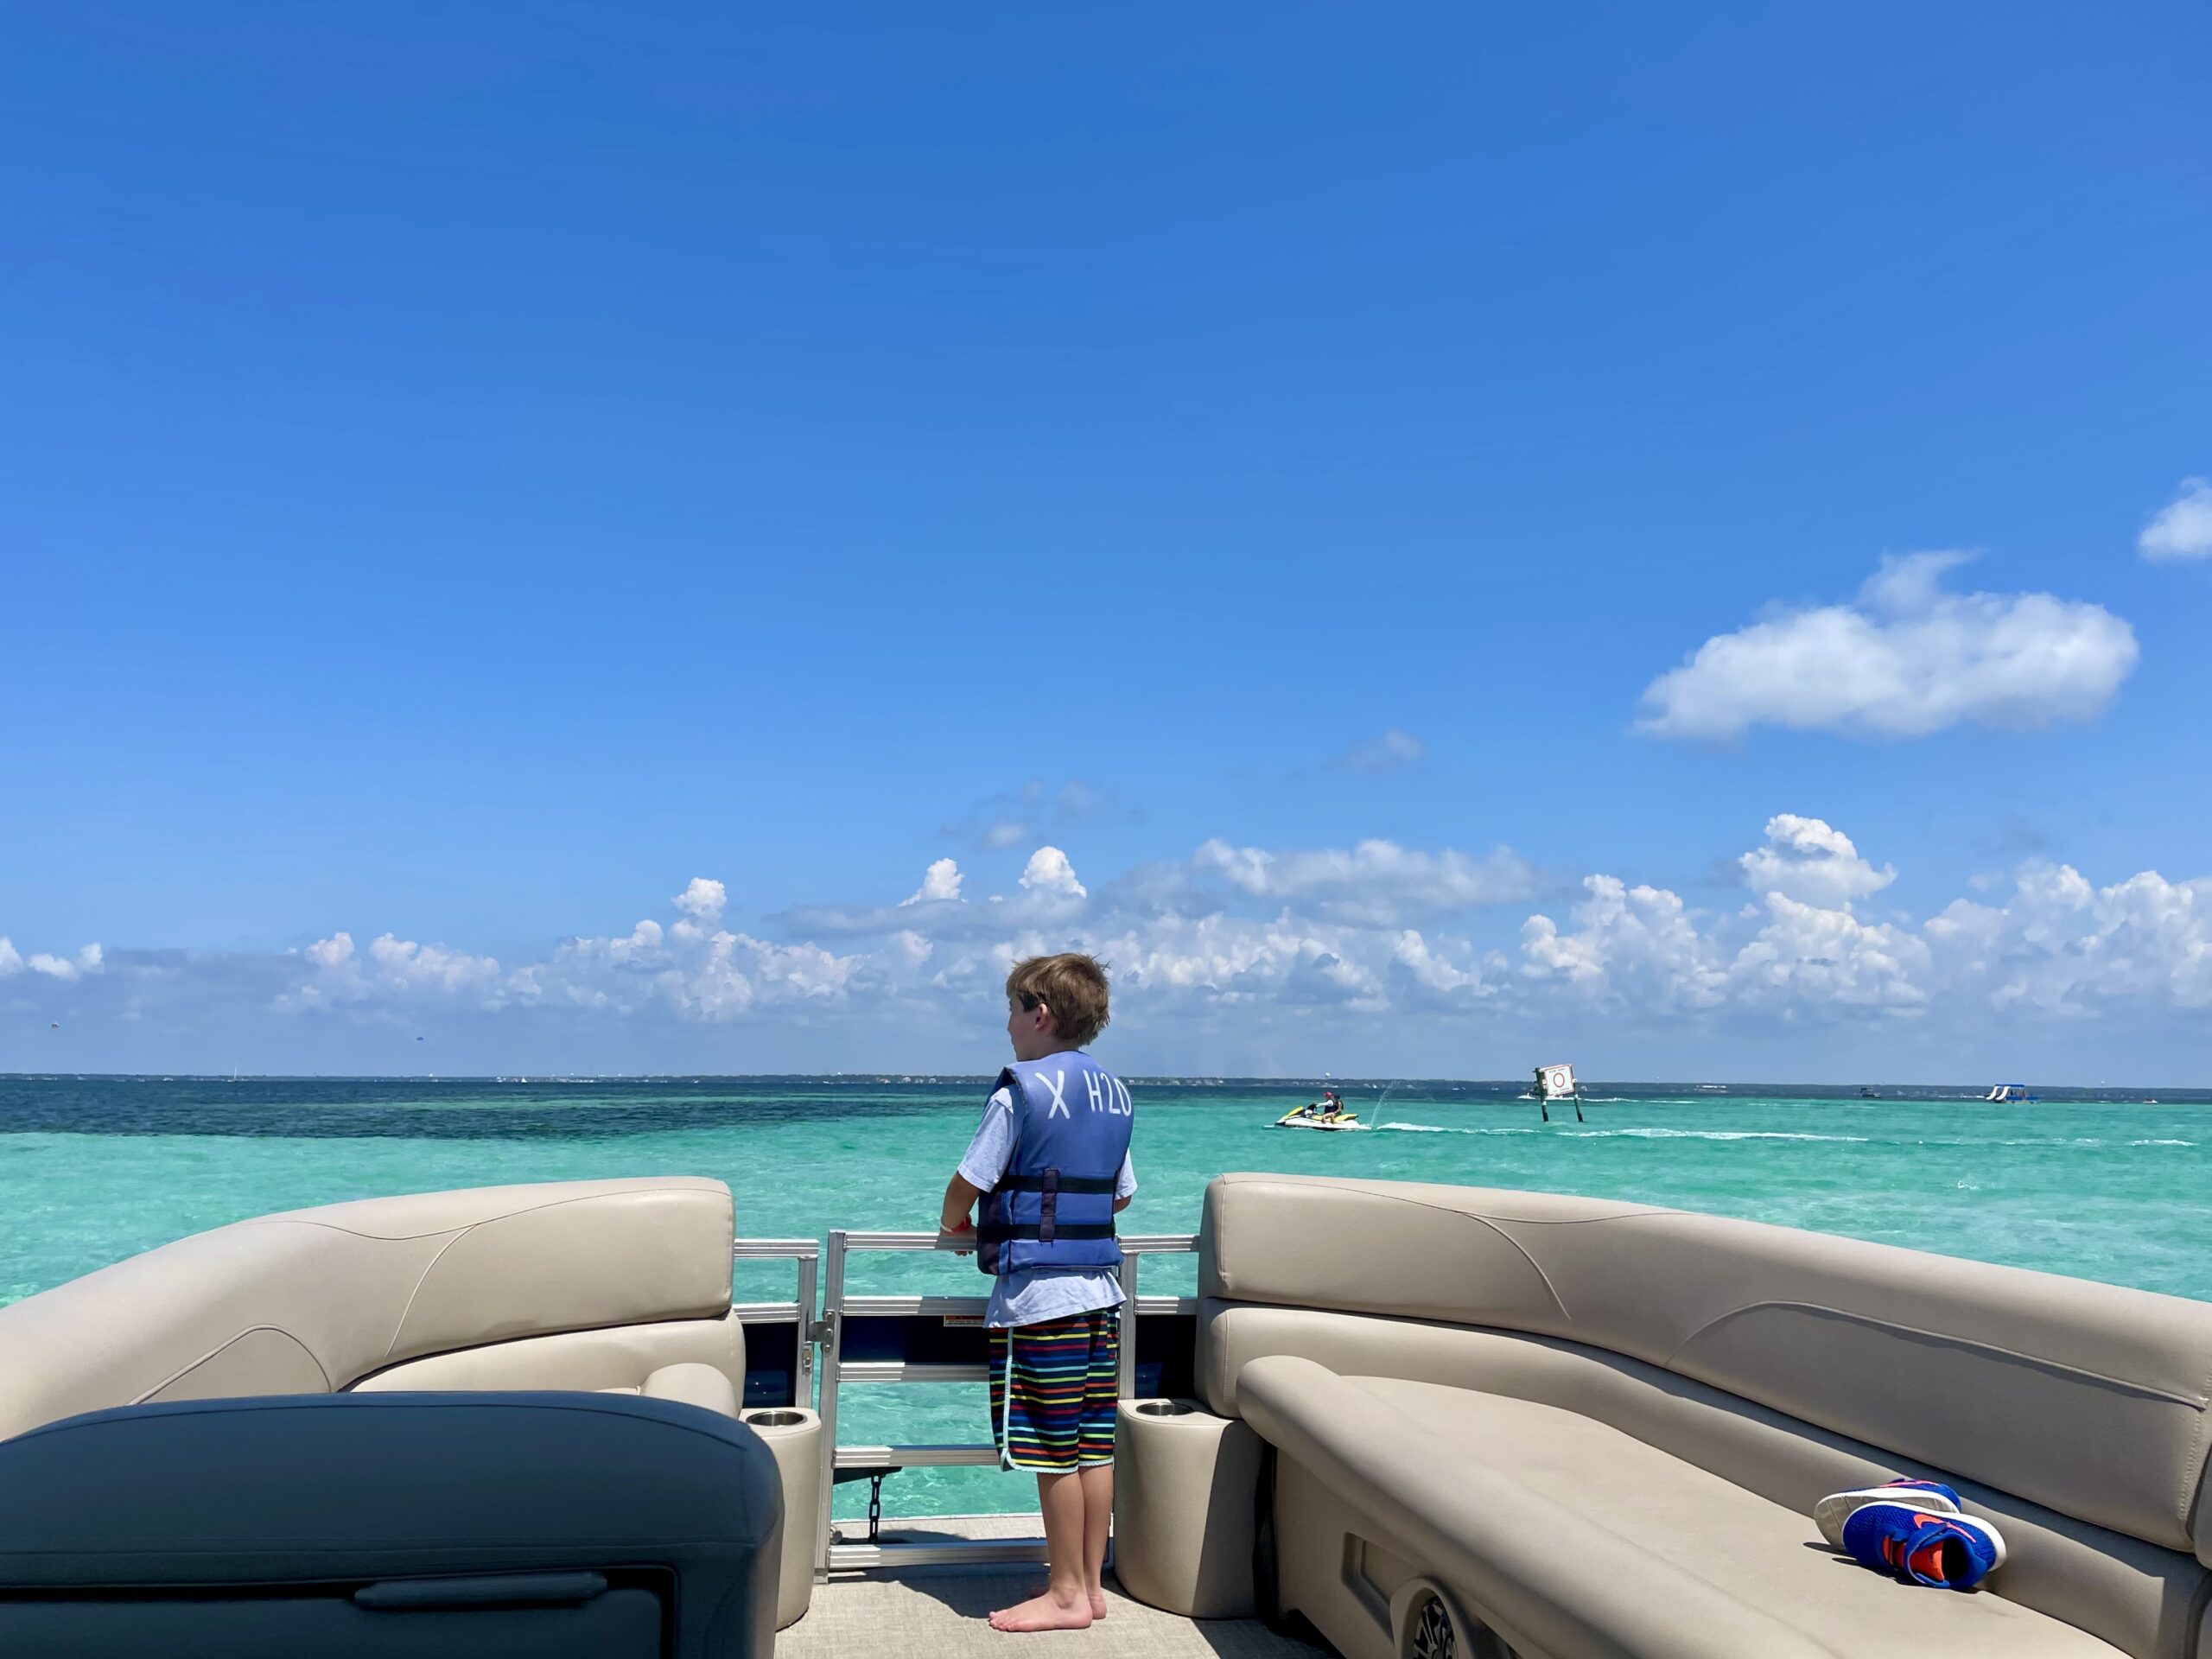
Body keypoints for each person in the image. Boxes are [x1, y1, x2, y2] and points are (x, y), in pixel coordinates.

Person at [938, 952, 1136, 1633]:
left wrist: (951, 1221)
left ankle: (1063, 1596)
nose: (1009, 1025)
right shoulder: (1115, 1093)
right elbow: (1123, 1193)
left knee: (1051, 1453)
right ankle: (1090, 1585)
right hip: (1102, 1297)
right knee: (1093, 1447)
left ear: (1040, 1014)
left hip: (1043, 1304)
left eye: (1013, 1011)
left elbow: (970, 1178)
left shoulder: (1017, 1092)